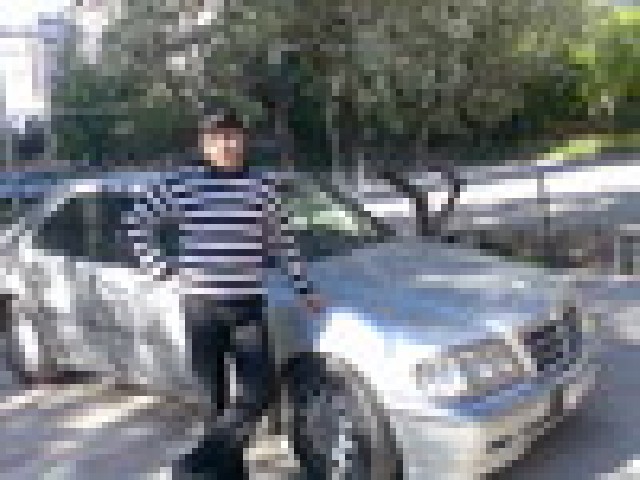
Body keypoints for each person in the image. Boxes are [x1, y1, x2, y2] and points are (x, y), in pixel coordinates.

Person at [126, 108, 323, 479]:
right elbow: (136, 222)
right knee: (212, 401)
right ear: (204, 145)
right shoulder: (181, 185)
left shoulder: (262, 188)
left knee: (260, 390)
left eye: (232, 135)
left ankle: (197, 462)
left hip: (247, 306)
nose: (226, 144)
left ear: (244, 140)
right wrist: (160, 268)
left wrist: (304, 288)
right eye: (216, 138)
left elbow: (283, 242)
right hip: (201, 308)